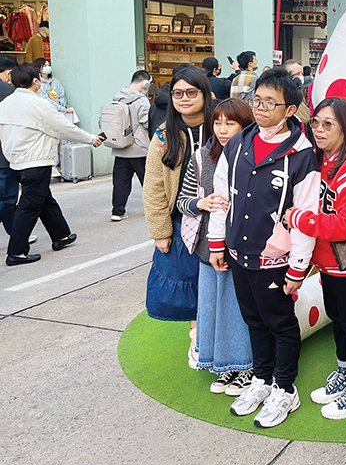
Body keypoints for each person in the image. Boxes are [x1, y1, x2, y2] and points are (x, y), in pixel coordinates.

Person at [208, 68, 320, 429]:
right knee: (253, 319)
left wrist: (297, 267)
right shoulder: (239, 143)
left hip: (276, 258)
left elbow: (306, 214)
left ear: (290, 110)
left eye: (269, 103)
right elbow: (221, 196)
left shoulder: (303, 155)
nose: (259, 108)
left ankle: (285, 389)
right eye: (257, 100)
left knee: (281, 324)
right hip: (239, 252)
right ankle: (261, 380)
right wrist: (217, 242)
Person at [285, 97, 346, 420]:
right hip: (328, 262)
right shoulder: (325, 159)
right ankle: (345, 373)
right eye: (316, 123)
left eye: (328, 124)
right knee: (339, 320)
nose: (319, 130)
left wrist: (301, 219)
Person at [176, 98, 254, 396]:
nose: (222, 130)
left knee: (237, 308)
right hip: (209, 248)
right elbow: (183, 201)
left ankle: (245, 366)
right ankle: (223, 366)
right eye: (218, 122)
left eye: (230, 123)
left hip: (243, 246)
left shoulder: (253, 156)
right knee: (212, 306)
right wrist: (201, 203)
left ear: (244, 125)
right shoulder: (201, 157)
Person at [143, 66, 214, 366]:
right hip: (181, 221)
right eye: (177, 93)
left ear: (205, 95)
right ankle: (198, 341)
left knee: (217, 283)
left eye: (191, 92)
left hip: (218, 221)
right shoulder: (164, 135)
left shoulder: (222, 126)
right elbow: (154, 186)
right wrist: (160, 230)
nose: (184, 99)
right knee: (188, 284)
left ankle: (221, 341)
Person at [0, 64, 102, 265]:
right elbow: (64, 127)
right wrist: (91, 139)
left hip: (17, 160)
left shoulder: (6, 103)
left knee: (44, 199)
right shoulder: (38, 104)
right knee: (29, 206)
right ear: (36, 81)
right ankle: (16, 252)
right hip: (36, 160)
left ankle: (61, 236)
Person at [108, 70, 152, 222]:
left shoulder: (117, 97)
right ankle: (154, 209)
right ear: (145, 83)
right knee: (148, 181)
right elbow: (146, 122)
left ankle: (117, 211)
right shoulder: (142, 101)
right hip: (139, 147)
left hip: (120, 147)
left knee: (120, 181)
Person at [0, 57, 21, 239]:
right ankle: (16, 233)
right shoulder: (8, 91)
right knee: (7, 198)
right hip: (4, 153)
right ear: (9, 73)